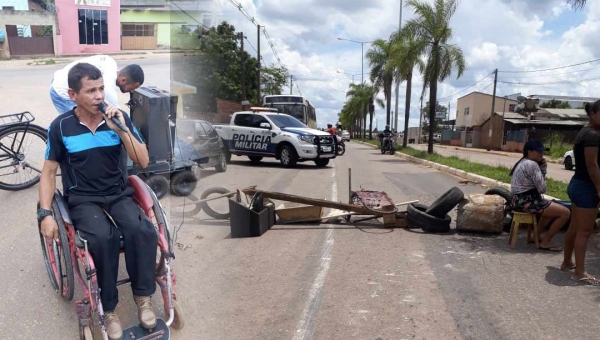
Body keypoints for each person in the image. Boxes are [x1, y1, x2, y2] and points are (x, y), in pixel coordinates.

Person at [38, 63, 155, 340]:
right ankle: (109, 308)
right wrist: (45, 214)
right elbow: (49, 172)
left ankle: (143, 297)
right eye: (91, 90)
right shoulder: (61, 127)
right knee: (103, 238)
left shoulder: (118, 118)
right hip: (83, 199)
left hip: (117, 193)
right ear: (72, 94)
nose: (99, 96)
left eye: (101, 88)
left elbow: (143, 161)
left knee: (142, 230)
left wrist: (122, 130)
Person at [562, 100, 600, 285]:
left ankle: (567, 262)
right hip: (587, 187)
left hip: (577, 184)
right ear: (593, 113)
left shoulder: (586, 131)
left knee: (575, 227)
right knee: (584, 231)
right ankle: (579, 272)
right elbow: (592, 165)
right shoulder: (593, 135)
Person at [509, 138, 570, 251]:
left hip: (517, 201)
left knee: (549, 207)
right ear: (529, 152)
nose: (541, 154)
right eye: (539, 151)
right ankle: (546, 241)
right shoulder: (532, 165)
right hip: (528, 202)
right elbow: (542, 189)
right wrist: (543, 169)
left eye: (542, 151)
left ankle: (535, 236)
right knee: (565, 213)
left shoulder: (522, 162)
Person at [50, 54, 144, 115]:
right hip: (61, 90)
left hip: (63, 78)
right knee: (75, 127)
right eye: (132, 88)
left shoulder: (110, 62)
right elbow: (117, 114)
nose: (132, 91)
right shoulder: (109, 86)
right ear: (123, 80)